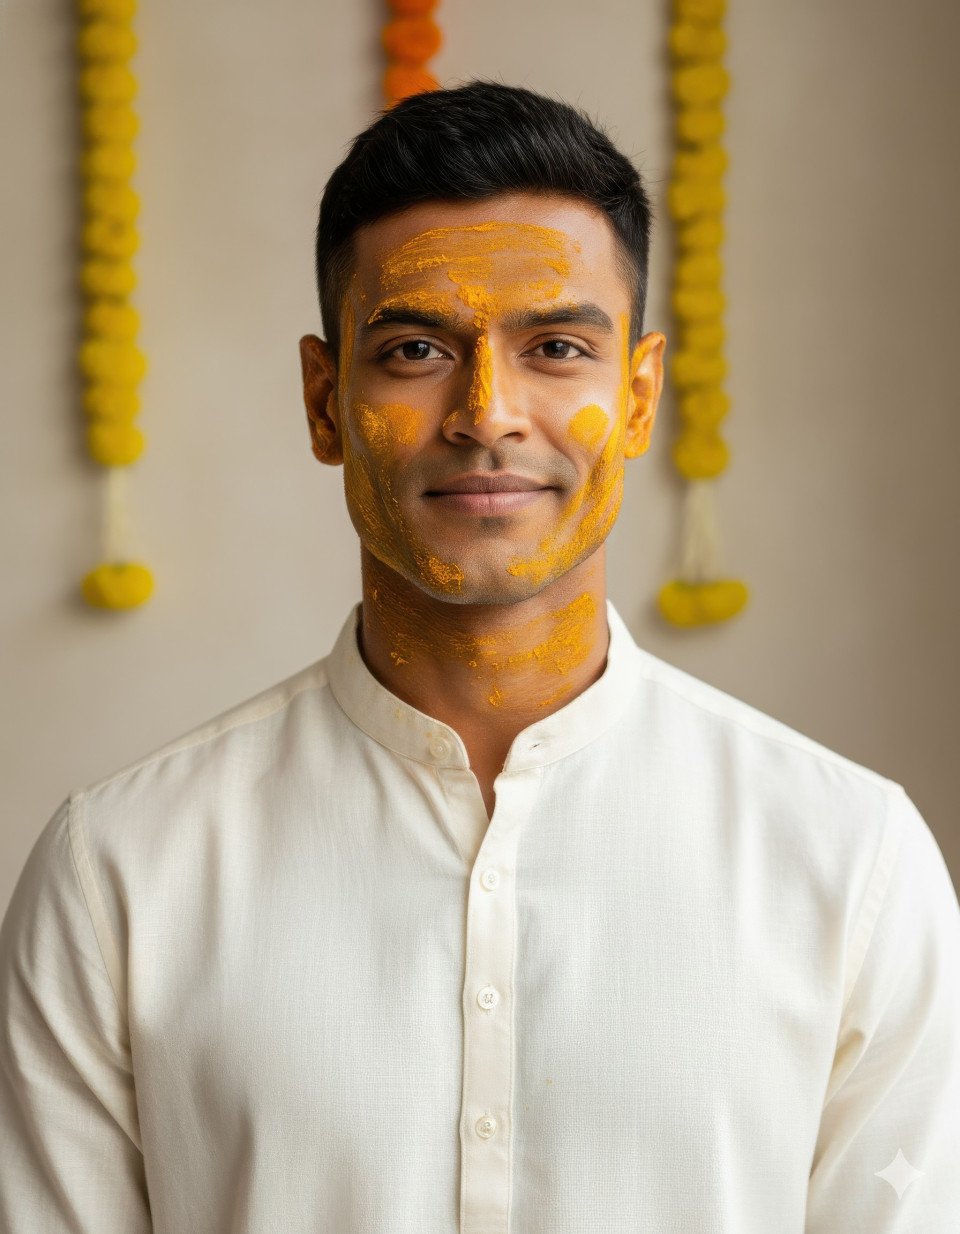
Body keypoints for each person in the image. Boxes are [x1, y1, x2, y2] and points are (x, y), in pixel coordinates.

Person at [1, 79, 958, 1234]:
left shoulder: (851, 864)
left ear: (641, 394)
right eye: (414, 349)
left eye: (556, 345)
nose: (487, 413)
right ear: (324, 400)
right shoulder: (119, 875)